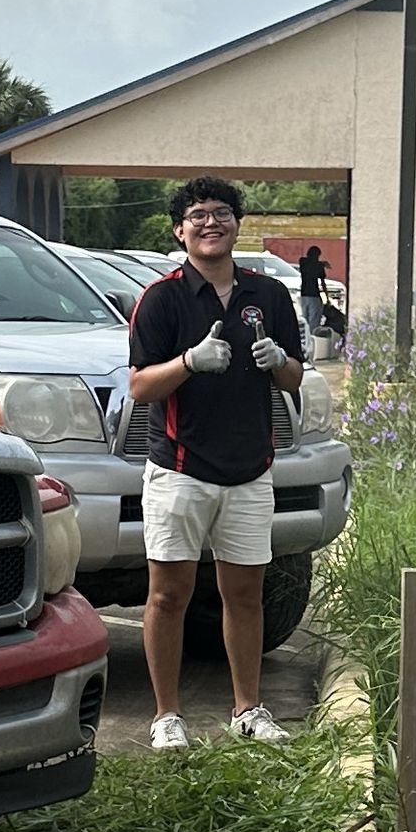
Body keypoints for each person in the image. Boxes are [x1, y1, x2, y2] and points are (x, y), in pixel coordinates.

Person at [127, 176, 306, 750]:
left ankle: (248, 709)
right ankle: (166, 716)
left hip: (250, 468)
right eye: (198, 215)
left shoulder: (268, 295)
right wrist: (188, 361)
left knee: (246, 594)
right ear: (179, 229)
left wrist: (279, 360)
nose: (211, 223)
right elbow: (139, 387)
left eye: (222, 213)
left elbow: (295, 375)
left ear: (237, 224)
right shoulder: (161, 298)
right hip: (179, 468)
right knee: (168, 594)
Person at [297, 243, 329, 339]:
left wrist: (322, 263)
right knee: (314, 322)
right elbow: (322, 283)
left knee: (305, 320)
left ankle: (304, 341)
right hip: (314, 295)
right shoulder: (318, 266)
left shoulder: (302, 262)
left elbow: (310, 263)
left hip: (303, 295)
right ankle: (312, 341)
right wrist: (327, 297)